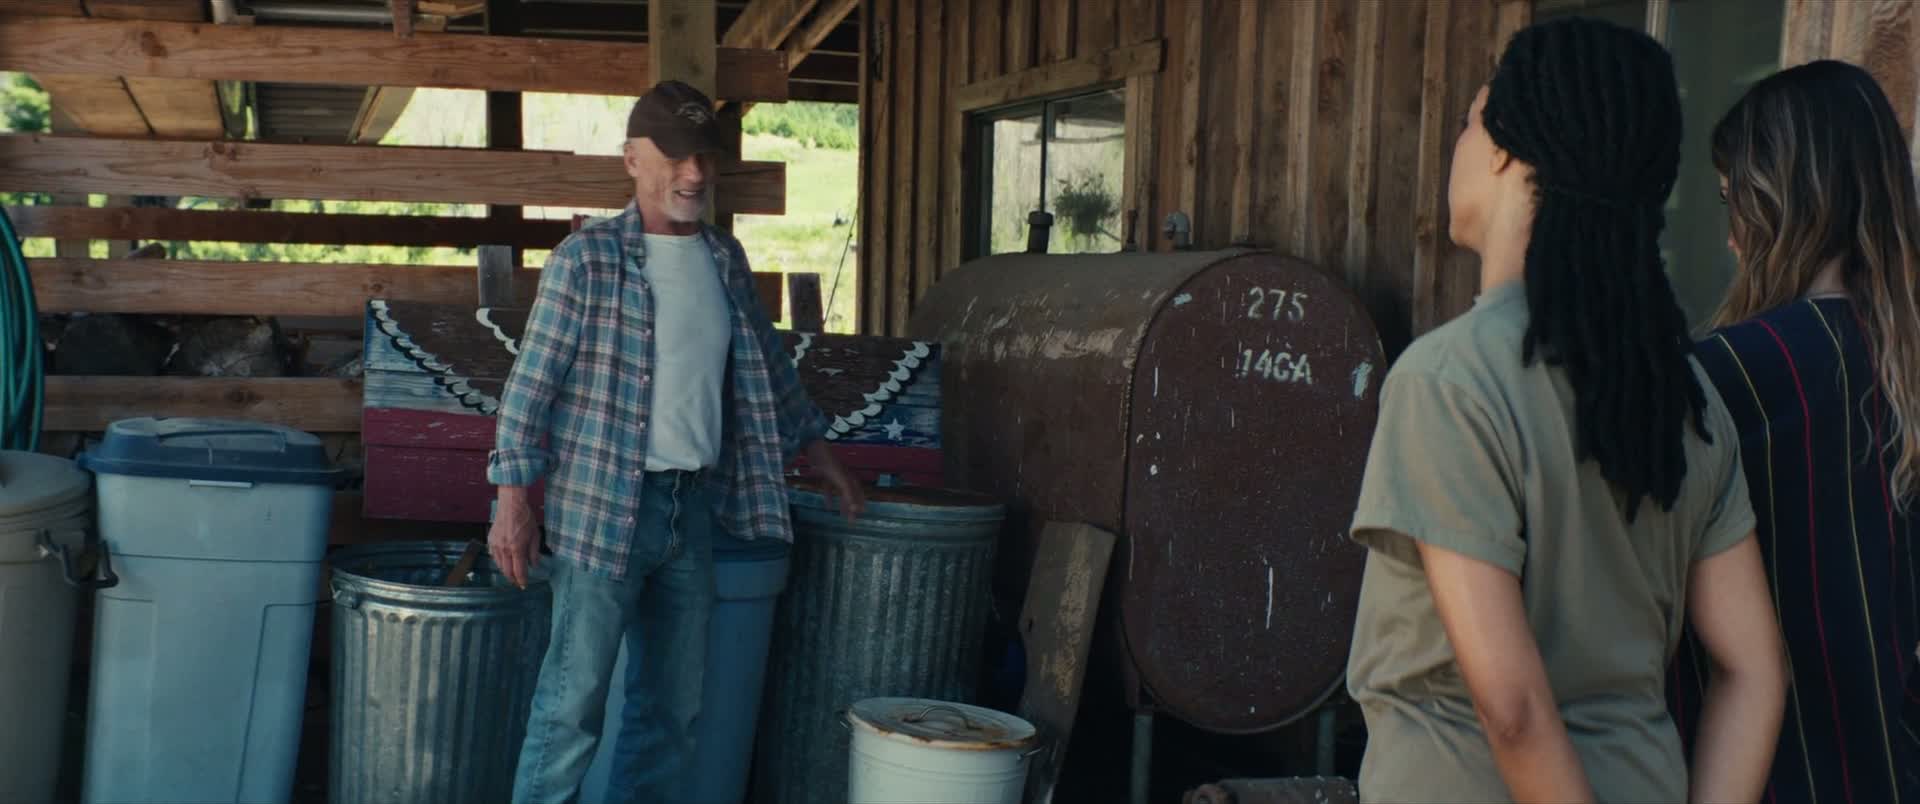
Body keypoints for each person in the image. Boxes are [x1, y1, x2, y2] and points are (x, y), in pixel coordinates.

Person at [1341, 17, 1787, 803]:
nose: (1460, 144)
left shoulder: (1448, 380)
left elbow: (1512, 709)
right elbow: (1756, 672)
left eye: (1470, 121)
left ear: (1506, 149)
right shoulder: (1683, 397)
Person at [485, 80, 866, 803]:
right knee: (571, 709)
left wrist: (821, 454)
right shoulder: (587, 260)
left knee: (673, 712)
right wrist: (512, 502)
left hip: (690, 512)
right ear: (633, 158)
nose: (694, 173)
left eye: (705, 157)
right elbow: (528, 388)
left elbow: (769, 368)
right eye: (676, 156)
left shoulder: (725, 259)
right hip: (600, 512)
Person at [1666, 59, 1920, 803]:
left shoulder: (1723, 375)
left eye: (1733, 200)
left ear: (1781, 203)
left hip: (1754, 775)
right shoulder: (1900, 372)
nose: (1731, 238)